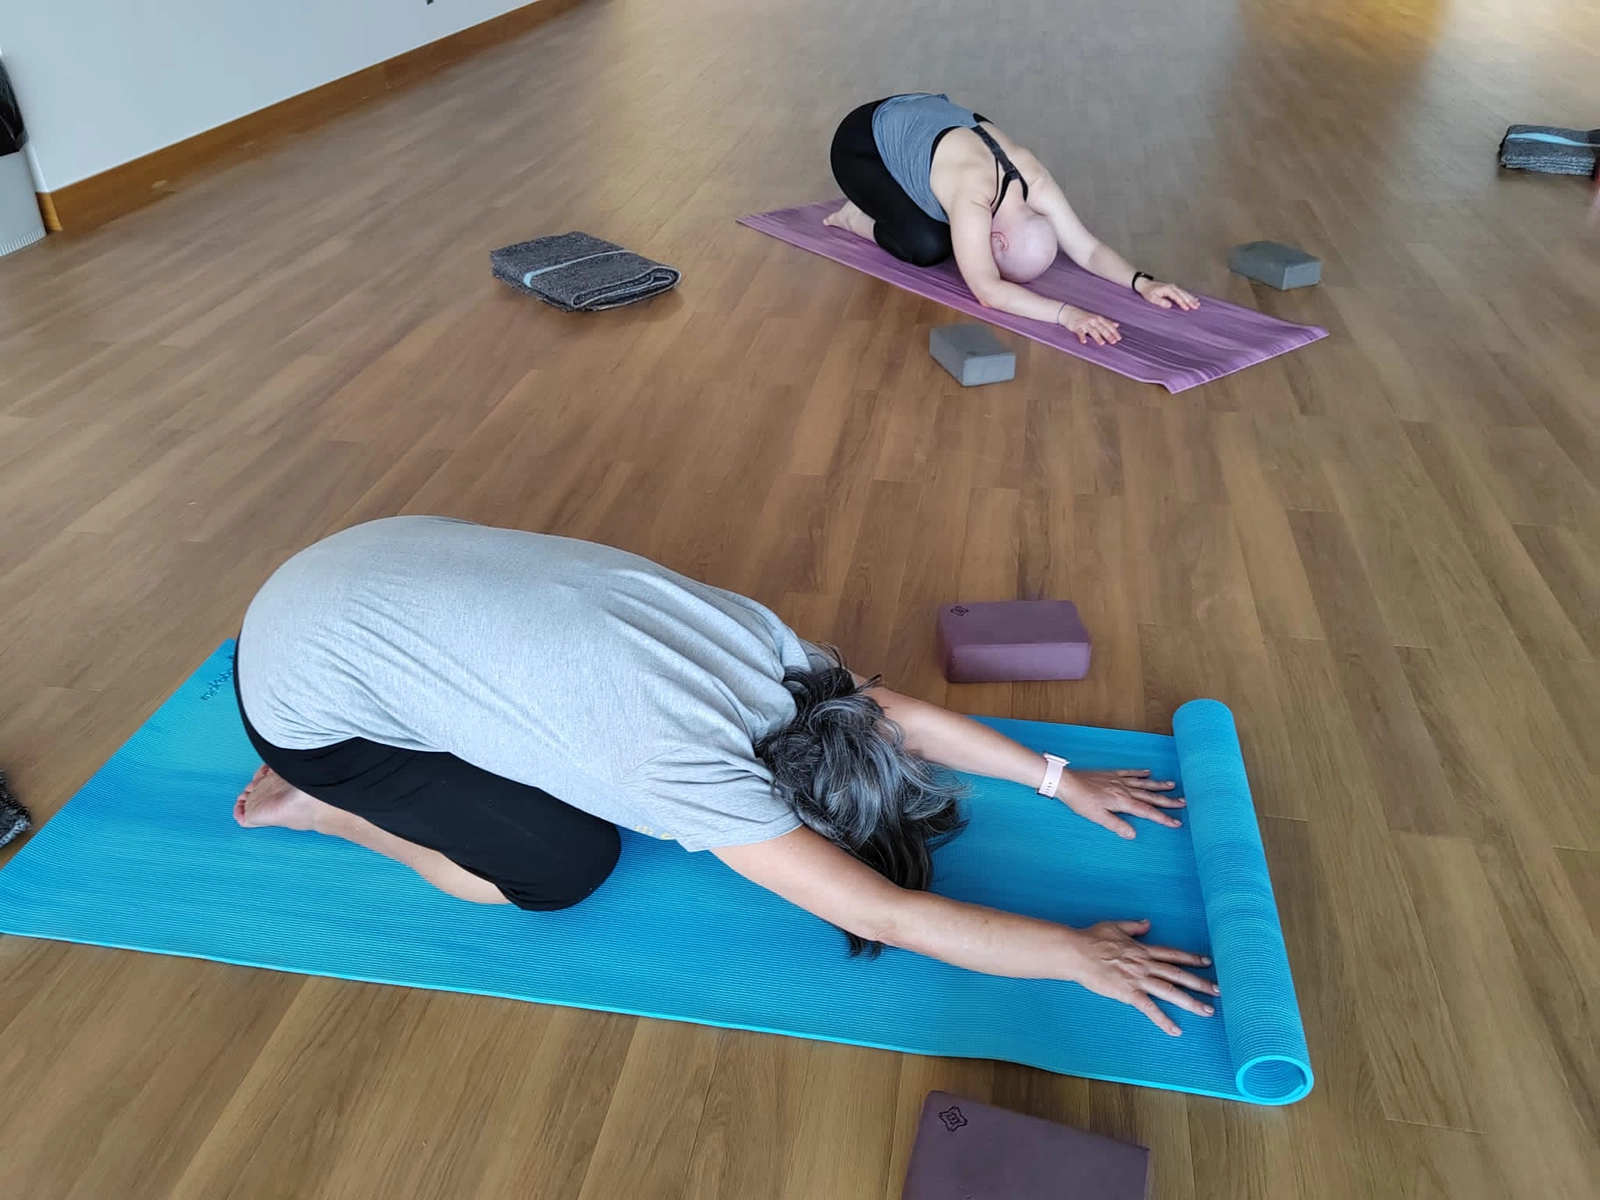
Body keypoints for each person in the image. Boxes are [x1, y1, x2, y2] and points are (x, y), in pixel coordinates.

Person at [233, 516, 1219, 1035]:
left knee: (541, 761)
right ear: (784, 811)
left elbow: (900, 718)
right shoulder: (689, 778)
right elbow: (885, 916)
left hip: (353, 563)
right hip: (300, 691)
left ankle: (369, 750)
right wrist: (1076, 958)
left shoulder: (774, 657)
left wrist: (1061, 779)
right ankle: (321, 806)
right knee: (561, 870)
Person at [825, 93, 1201, 346]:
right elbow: (987, 292)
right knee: (928, 246)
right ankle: (853, 215)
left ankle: (892, 196)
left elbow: (1086, 250)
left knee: (943, 229)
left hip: (925, 119)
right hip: (861, 142)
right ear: (1000, 241)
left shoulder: (1034, 181)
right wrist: (1066, 315)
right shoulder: (973, 195)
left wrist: (1143, 283)